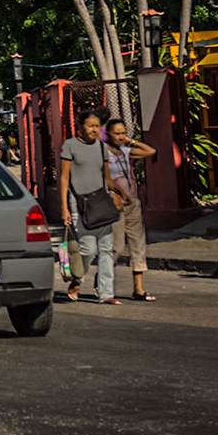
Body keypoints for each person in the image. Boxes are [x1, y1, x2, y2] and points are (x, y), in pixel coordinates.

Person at [59, 109, 119, 303]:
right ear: (81, 127)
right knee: (88, 249)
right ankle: (77, 278)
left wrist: (119, 194)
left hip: (101, 202)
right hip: (79, 203)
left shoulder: (102, 148)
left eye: (97, 126)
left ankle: (106, 293)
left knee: (106, 249)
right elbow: (64, 177)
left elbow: (107, 177)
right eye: (90, 126)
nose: (95, 130)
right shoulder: (70, 146)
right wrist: (64, 207)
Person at [105, 118, 158, 301]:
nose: (120, 137)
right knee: (116, 247)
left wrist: (131, 141)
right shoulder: (103, 153)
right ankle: (104, 284)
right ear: (108, 134)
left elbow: (150, 151)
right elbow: (103, 178)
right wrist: (117, 193)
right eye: (116, 133)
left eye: (122, 133)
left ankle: (139, 289)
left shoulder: (126, 152)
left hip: (133, 203)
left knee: (138, 245)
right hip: (114, 205)